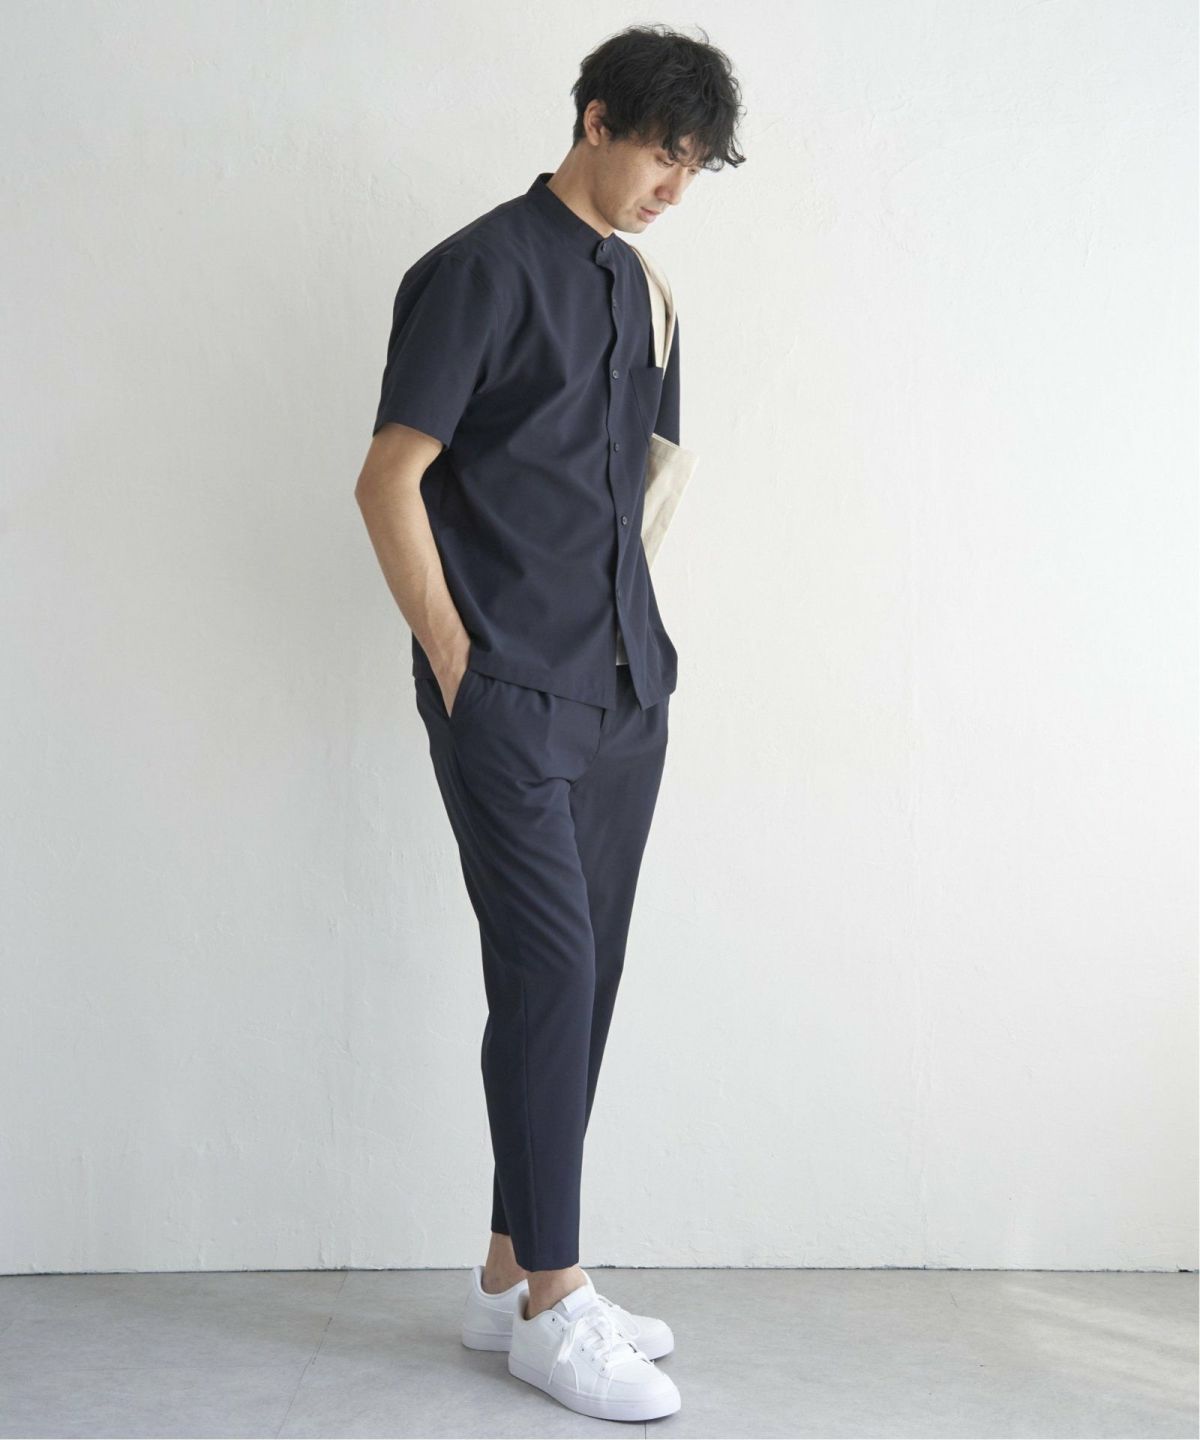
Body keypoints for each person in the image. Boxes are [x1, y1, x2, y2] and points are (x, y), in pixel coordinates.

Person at [354, 23, 745, 1422]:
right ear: (594, 119)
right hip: (507, 691)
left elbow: (642, 485)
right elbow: (387, 480)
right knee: (551, 973)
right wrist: (459, 661)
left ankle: (507, 1276)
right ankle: (557, 1302)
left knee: (583, 983)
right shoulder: (476, 271)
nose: (675, 188)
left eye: (696, 168)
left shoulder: (646, 293)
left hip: (625, 688)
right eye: (664, 154)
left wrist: (632, 644)